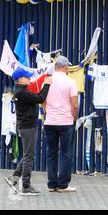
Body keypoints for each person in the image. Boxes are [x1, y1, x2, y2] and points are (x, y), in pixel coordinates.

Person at [5, 68, 52, 196]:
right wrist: (47, 84)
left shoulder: (22, 91)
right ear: (20, 79)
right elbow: (40, 98)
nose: (30, 79)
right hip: (27, 126)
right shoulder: (21, 92)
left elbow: (37, 97)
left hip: (27, 125)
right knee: (29, 156)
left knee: (27, 155)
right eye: (27, 77)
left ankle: (13, 178)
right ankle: (26, 186)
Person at [44, 56, 78, 193]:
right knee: (65, 153)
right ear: (64, 67)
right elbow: (75, 105)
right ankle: (63, 185)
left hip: (50, 122)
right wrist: (74, 118)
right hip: (65, 122)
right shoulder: (71, 82)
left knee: (51, 153)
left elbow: (43, 102)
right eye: (68, 66)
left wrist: (48, 113)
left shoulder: (47, 81)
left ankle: (52, 185)